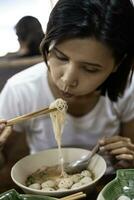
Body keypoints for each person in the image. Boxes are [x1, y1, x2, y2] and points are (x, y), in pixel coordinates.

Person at [0, 0, 134, 174]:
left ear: (118, 64)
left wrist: (127, 160)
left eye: (90, 69)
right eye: (61, 57)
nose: (67, 79)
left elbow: (129, 160)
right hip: (44, 182)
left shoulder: (128, 89)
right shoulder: (21, 90)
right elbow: (5, 163)